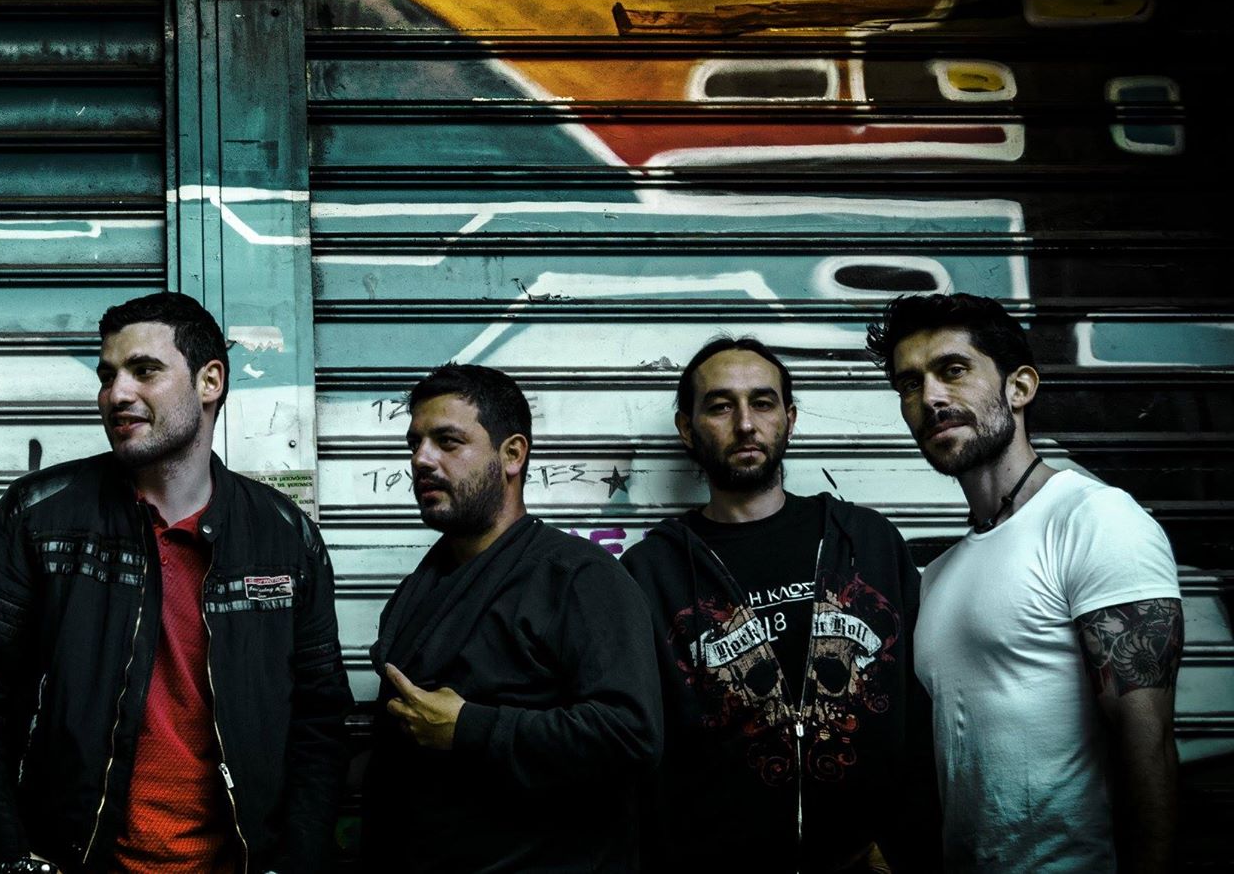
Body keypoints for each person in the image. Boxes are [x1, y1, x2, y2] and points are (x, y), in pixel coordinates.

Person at [0, 291, 352, 874]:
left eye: (144, 370)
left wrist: (296, 859)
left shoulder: (285, 537)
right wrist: (8, 854)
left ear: (210, 381)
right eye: (107, 376)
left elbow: (320, 720)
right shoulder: (37, 517)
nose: (117, 394)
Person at [868, 293, 1182, 873]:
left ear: (1019, 387)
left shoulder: (1094, 519)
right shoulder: (939, 576)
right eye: (909, 384)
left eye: (952, 370)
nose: (929, 397)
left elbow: (1150, 742)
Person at [621, 337, 935, 872]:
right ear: (687, 429)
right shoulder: (650, 572)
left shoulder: (866, 540)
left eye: (763, 403)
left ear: (789, 419)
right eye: (720, 406)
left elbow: (921, 704)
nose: (746, 424)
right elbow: (641, 743)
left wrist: (909, 840)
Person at [364, 363, 661, 873]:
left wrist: (470, 728)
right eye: (415, 443)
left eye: (448, 441)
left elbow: (630, 735)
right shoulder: (419, 588)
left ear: (512, 455)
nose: (421, 460)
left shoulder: (578, 578)